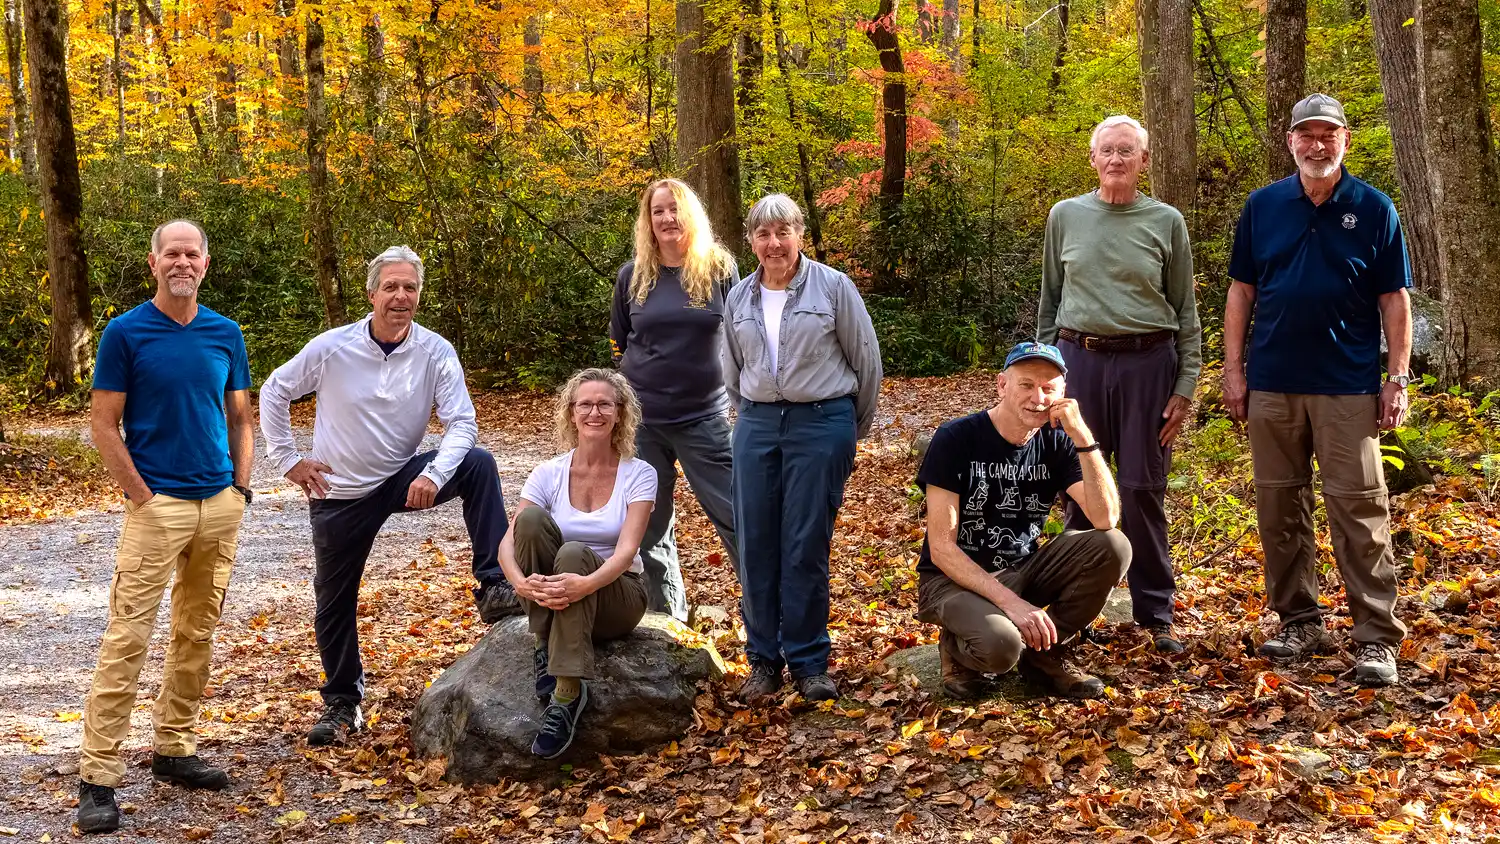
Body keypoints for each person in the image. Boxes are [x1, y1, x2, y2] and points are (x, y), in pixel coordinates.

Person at [259, 245, 521, 746]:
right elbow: (274, 390)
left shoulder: (434, 351)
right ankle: (343, 702)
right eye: (391, 287)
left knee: (478, 463)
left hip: (402, 476)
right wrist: (289, 460)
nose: (401, 296)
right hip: (340, 491)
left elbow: (463, 423)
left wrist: (435, 474)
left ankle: (493, 583)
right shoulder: (333, 347)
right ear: (371, 293)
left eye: (410, 288)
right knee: (333, 598)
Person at [1223, 93, 1411, 687]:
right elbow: (1242, 292)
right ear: (1291, 142)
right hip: (1272, 384)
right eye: (1306, 134)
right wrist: (1234, 369)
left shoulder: (1374, 208)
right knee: (1279, 508)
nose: (1317, 144)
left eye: (1328, 134)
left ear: (1345, 140)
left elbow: (1394, 300)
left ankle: (1376, 637)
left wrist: (1396, 378)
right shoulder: (1263, 206)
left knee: (1359, 508)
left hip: (1347, 387)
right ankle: (1300, 621)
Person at [78, 220, 254, 834]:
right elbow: (104, 424)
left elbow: (240, 417)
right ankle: (98, 776)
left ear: (205, 262)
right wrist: (143, 497)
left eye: (192, 253)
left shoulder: (225, 332)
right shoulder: (125, 333)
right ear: (153, 263)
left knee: (196, 633)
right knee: (127, 638)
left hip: (219, 504)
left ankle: (174, 748)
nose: (182, 262)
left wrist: (240, 488)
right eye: (171, 253)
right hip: (158, 508)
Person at [1036, 114, 1201, 654]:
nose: (1115, 159)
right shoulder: (1064, 216)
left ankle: (1156, 614)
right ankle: (1074, 612)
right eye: (1106, 150)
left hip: (1147, 365)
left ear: (1144, 160)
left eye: (1127, 151)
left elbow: (1185, 310)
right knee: (1080, 487)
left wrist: (1185, 384)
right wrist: (1043, 375)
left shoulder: (1166, 221)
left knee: (1142, 488)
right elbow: (1050, 302)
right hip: (1078, 363)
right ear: (1092, 158)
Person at [723, 193, 883, 704]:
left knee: (805, 545)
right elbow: (732, 371)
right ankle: (763, 662)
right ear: (751, 241)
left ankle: (810, 662)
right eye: (763, 234)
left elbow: (866, 363)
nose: (773, 243)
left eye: (783, 232)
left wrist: (845, 429)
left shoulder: (833, 287)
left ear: (799, 236)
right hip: (756, 424)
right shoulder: (739, 298)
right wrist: (755, 415)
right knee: (755, 544)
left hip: (821, 422)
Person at [916, 342, 1131, 700]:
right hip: (952, 580)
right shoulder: (956, 437)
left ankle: (1046, 654)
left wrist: (1083, 437)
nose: (1038, 398)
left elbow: (1106, 517)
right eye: (1026, 385)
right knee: (1001, 648)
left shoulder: (1058, 442)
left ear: (1063, 394)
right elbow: (941, 548)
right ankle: (956, 648)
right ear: (1002, 385)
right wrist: (1012, 605)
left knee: (1113, 545)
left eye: (1049, 388)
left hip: (1022, 567)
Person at [499, 368, 653, 758]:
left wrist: (585, 583)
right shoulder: (548, 472)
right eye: (585, 404)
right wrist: (519, 583)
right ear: (571, 413)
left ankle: (567, 695)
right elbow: (508, 543)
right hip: (559, 596)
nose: (594, 412)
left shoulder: (639, 473)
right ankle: (544, 640)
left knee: (573, 553)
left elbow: (626, 553)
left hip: (617, 596)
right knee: (531, 522)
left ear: (620, 413)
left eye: (605, 404)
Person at [610, 178, 741, 621]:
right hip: (643, 422)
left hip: (704, 418)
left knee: (738, 517)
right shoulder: (633, 276)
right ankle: (668, 623)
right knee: (649, 526)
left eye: (675, 209)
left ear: (691, 215)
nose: (667, 218)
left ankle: (767, 619)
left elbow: (740, 337)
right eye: (658, 211)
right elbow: (619, 340)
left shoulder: (719, 269)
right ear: (648, 221)